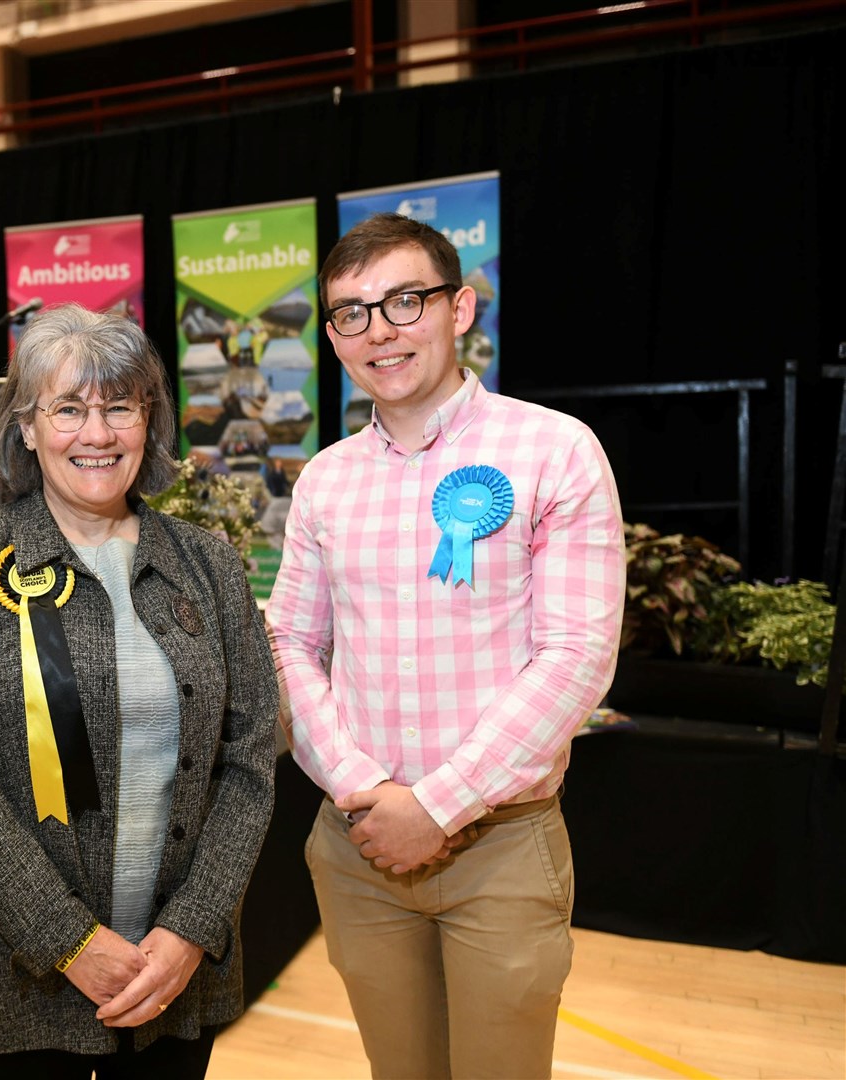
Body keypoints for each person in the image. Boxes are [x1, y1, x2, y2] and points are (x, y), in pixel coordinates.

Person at [266, 212, 625, 1079]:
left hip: (500, 846)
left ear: (460, 308)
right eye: (350, 312)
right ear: (331, 334)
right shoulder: (325, 479)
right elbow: (288, 642)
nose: (378, 332)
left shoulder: (554, 451)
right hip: (358, 851)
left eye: (404, 301)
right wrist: (363, 792)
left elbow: (576, 656)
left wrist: (435, 806)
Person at [0, 303, 278, 1079]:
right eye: (68, 408)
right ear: (26, 427)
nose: (97, 433)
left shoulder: (208, 565)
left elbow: (248, 763)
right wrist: (64, 938)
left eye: (119, 406)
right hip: (19, 972)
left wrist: (191, 929)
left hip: (172, 971)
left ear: (150, 421)